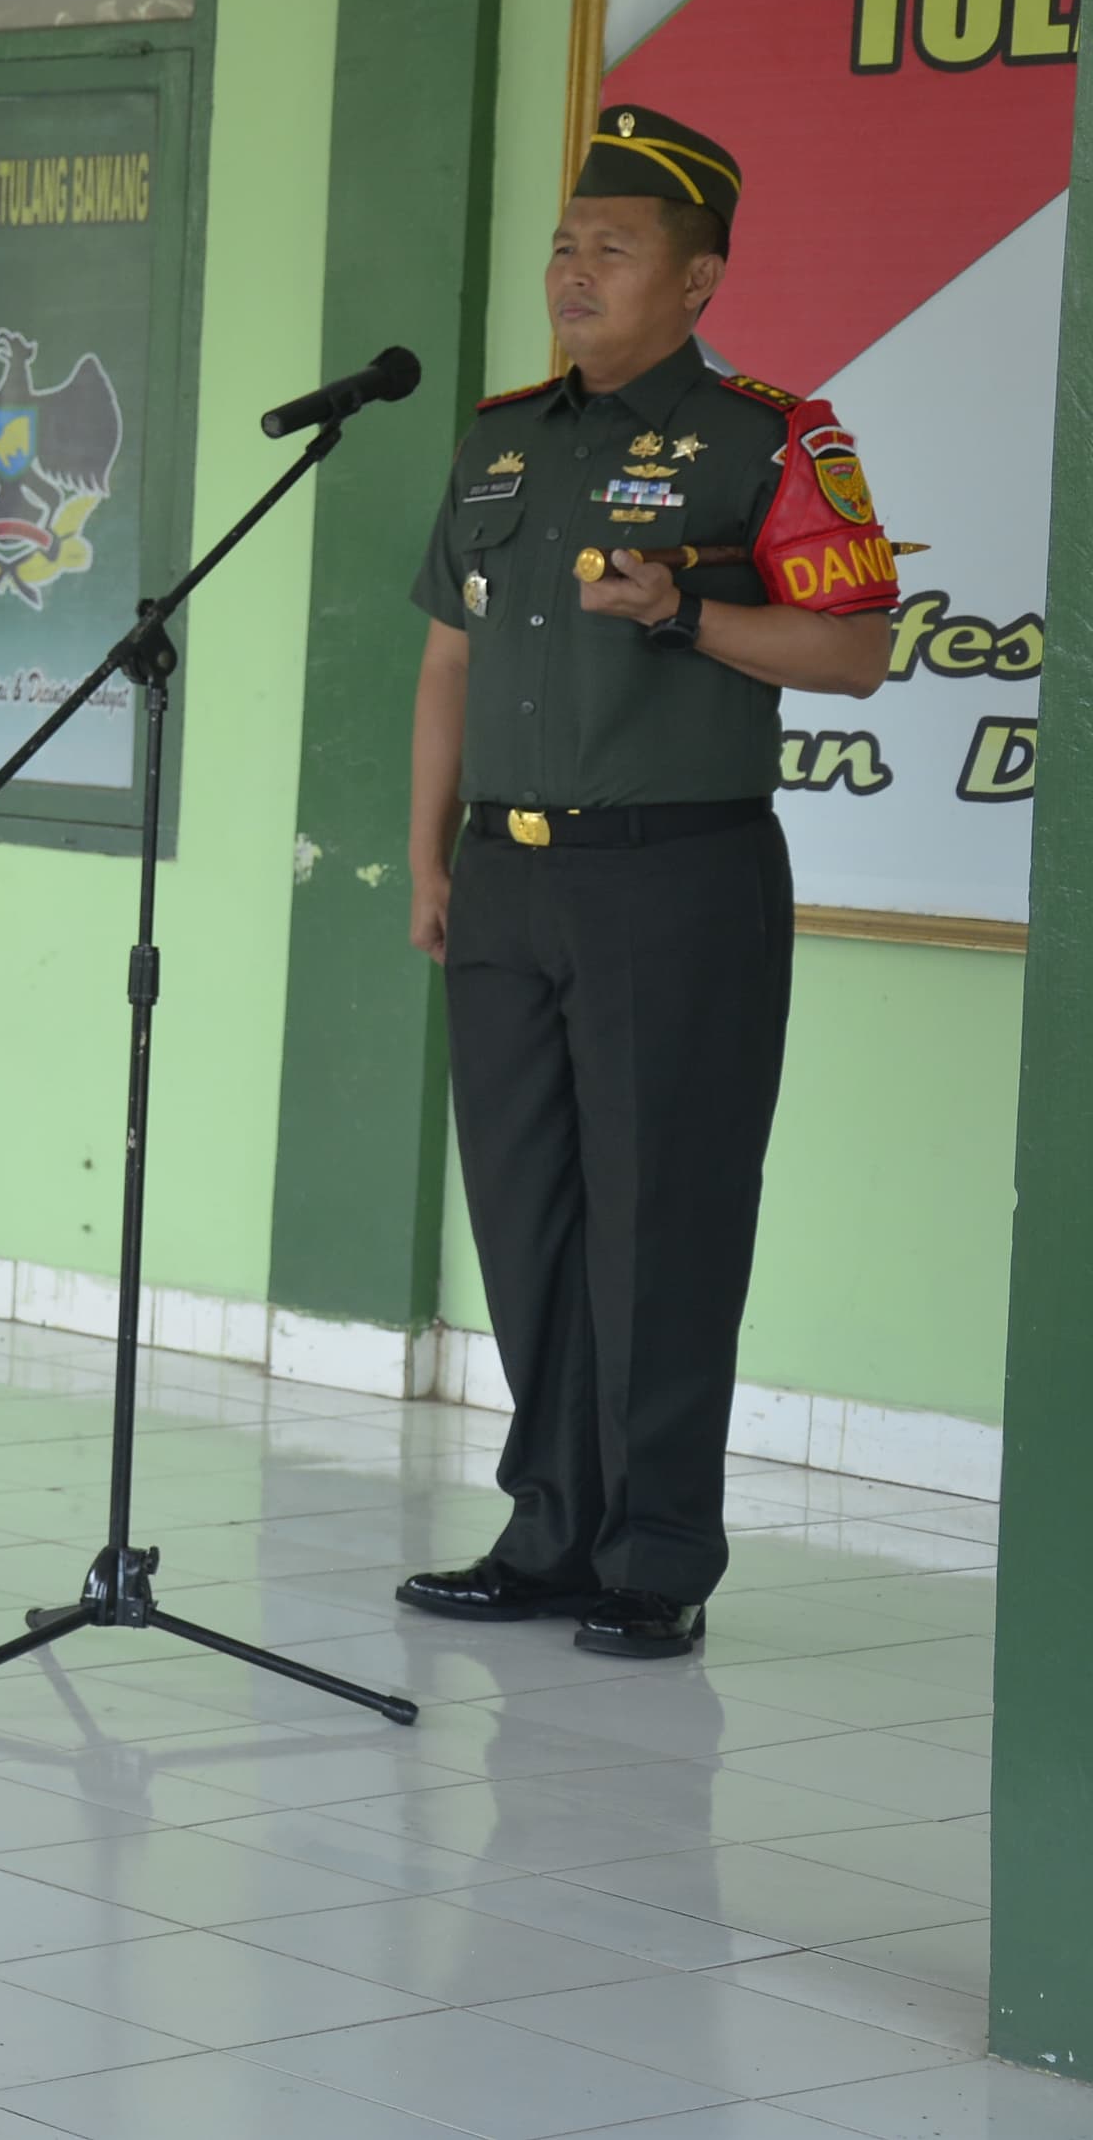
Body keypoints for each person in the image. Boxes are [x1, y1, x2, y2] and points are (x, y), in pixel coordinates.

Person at [396, 104, 894, 1661]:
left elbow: (858, 650)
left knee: (661, 1222)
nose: (573, 269)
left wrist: (688, 615)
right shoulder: (496, 437)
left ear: (697, 279)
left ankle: (657, 1552)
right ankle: (549, 1532)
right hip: (509, 885)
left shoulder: (769, 436)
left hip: (678, 881)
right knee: (528, 1214)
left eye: (613, 248)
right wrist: (427, 853)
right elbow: (447, 660)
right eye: (564, 243)